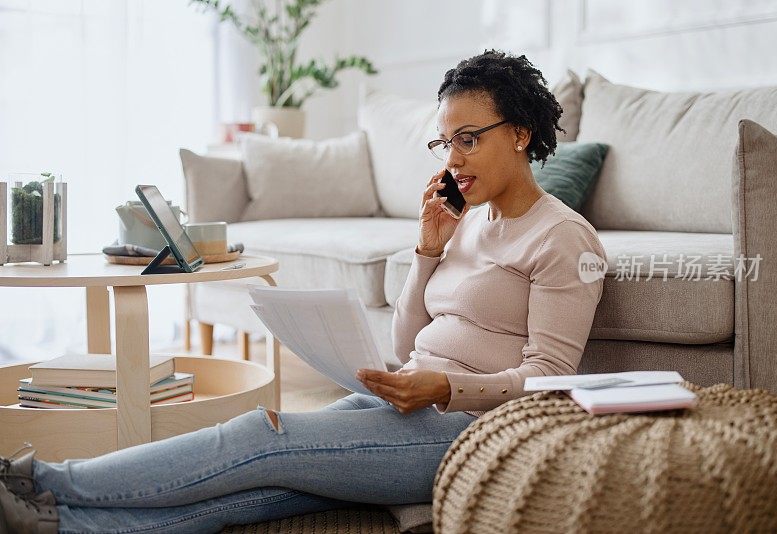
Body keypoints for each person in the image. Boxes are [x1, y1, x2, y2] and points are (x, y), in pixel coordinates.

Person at [0, 50, 605, 534]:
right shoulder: (468, 219)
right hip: (405, 402)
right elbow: (408, 343)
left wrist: (446, 386)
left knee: (259, 435)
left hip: (467, 430)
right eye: (444, 143)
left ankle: (46, 482)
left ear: (521, 133)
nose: (453, 159)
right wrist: (427, 251)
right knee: (264, 491)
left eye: (468, 139)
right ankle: (58, 524)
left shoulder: (564, 240)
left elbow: (553, 377)